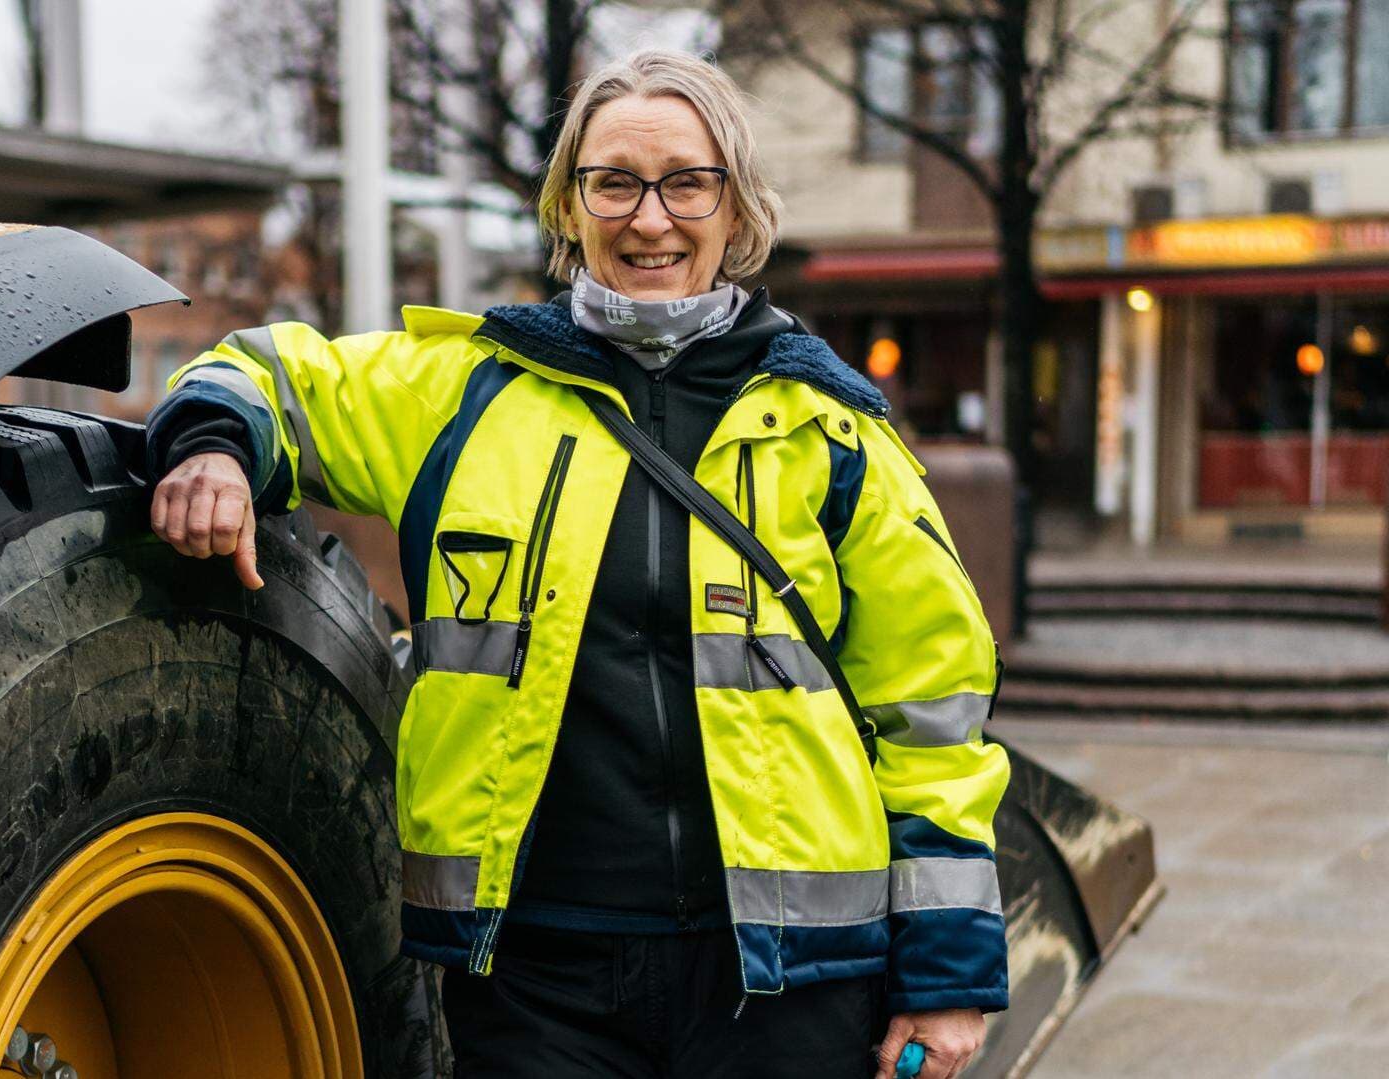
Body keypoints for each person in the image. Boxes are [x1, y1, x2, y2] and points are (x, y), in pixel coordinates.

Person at [144, 49, 1008, 1079]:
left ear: (737, 208)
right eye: (615, 181)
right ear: (570, 203)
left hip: (790, 980)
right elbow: (261, 370)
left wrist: (949, 976)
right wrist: (210, 450)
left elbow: (934, 716)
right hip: (540, 977)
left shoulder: (832, 434)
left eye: (688, 181)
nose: (650, 218)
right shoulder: (464, 393)